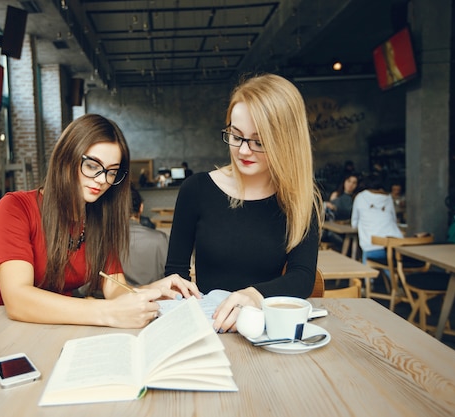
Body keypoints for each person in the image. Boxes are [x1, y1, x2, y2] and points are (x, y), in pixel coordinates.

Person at [0, 114, 200, 328]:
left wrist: (154, 290)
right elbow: (17, 300)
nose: (102, 179)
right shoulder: (16, 207)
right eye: (92, 166)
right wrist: (107, 313)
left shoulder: (99, 218)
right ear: (66, 157)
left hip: (60, 330)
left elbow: (115, 289)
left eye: (112, 172)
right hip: (11, 333)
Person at [165, 74, 323, 333]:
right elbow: (176, 273)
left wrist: (253, 297)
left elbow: (302, 277)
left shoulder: (301, 199)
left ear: (286, 143)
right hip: (212, 328)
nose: (244, 151)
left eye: (259, 142)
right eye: (236, 136)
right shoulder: (197, 189)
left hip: (267, 331)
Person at [122, 186, 169, 286]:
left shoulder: (102, 241)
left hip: (115, 299)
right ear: (141, 207)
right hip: (155, 299)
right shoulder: (160, 239)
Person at [351, 174, 402, 263]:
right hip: (394, 244)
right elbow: (393, 220)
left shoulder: (360, 197)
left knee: (369, 271)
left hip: (371, 246)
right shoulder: (388, 197)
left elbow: (354, 223)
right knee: (391, 269)